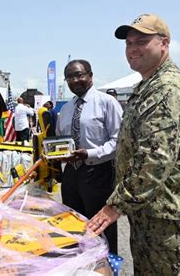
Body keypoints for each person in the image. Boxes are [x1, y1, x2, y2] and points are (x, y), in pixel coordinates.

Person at [87, 13, 180, 275]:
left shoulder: (168, 89)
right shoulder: (149, 85)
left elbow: (155, 160)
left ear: (164, 43)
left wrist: (114, 206)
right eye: (128, 43)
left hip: (161, 211)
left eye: (141, 41)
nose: (132, 49)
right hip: (148, 208)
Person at [56, 59, 123, 254]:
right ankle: (80, 266)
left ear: (90, 76)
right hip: (72, 175)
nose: (75, 80)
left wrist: (89, 153)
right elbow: (61, 140)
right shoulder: (66, 109)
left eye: (79, 75)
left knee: (102, 227)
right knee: (73, 226)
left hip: (99, 173)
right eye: (70, 77)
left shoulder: (107, 103)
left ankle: (106, 268)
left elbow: (119, 141)